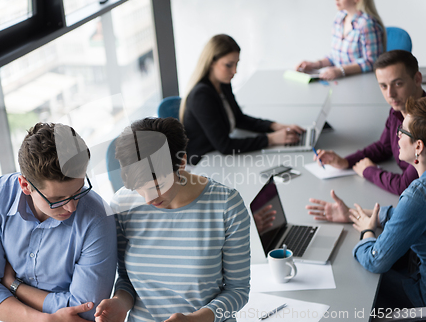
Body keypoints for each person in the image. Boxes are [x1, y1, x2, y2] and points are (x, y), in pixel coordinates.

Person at [94, 117, 250, 322]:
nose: (148, 199)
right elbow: (126, 279)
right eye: (139, 187)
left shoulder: (226, 205)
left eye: (157, 185)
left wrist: (194, 320)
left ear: (181, 162)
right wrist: (120, 303)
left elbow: (238, 291)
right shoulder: (123, 204)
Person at [0, 123, 117, 321]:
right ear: (25, 185)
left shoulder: (97, 219)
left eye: (78, 191)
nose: (72, 207)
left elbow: (86, 310)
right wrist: (44, 319)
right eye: (58, 200)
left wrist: (13, 286)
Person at [307, 97, 426, 308]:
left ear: (418, 146)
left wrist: (367, 231)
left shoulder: (418, 195)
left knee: (341, 273)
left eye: (403, 131)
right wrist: (353, 214)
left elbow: (375, 259)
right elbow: (409, 217)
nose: (397, 136)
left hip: (420, 295)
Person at [312, 50, 425, 196]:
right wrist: (346, 162)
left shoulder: (422, 125)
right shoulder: (397, 111)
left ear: (417, 79)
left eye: (397, 84)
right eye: (383, 86)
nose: (390, 94)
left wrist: (369, 171)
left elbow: (404, 186)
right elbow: (383, 147)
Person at [181, 34, 304, 166]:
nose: (234, 71)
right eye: (229, 65)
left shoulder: (223, 83)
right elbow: (225, 146)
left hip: (218, 154)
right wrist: (271, 139)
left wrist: (273, 126)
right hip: (204, 162)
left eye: (236, 64)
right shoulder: (201, 95)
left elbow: (239, 119)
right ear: (211, 62)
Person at [296, 0, 386, 80]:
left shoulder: (366, 24)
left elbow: (372, 62)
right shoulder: (339, 18)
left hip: (360, 81)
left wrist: (340, 71)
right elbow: (336, 56)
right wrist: (315, 64)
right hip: (340, 80)